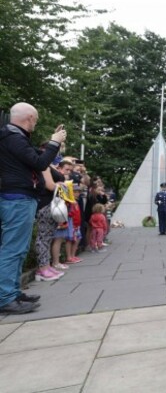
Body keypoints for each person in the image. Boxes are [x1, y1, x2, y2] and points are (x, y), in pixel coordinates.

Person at [0, 102, 66, 314]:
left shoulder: (12, 138)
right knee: (13, 249)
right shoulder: (13, 137)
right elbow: (40, 163)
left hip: (19, 197)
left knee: (18, 249)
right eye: (35, 121)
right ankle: (5, 297)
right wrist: (54, 143)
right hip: (17, 198)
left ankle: (13, 292)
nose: (35, 125)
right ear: (28, 118)